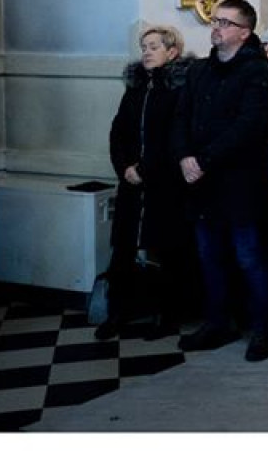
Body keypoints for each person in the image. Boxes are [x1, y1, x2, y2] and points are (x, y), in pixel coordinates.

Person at [171, 0, 268, 362]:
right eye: (215, 21)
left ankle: (262, 328)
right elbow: (181, 115)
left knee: (249, 257)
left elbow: (248, 127)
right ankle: (217, 322)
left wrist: (204, 159)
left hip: (238, 181)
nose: (217, 27)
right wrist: (185, 155)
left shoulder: (257, 72)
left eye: (226, 23)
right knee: (208, 255)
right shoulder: (201, 70)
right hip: (200, 180)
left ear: (245, 33)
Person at [99, 25, 194, 342]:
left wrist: (144, 169)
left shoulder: (179, 91)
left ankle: (167, 316)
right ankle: (116, 313)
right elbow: (118, 133)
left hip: (164, 183)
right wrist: (124, 166)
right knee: (122, 250)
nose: (147, 52)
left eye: (154, 46)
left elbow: (174, 139)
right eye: (144, 47)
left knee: (167, 251)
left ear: (172, 51)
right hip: (131, 182)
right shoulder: (135, 89)